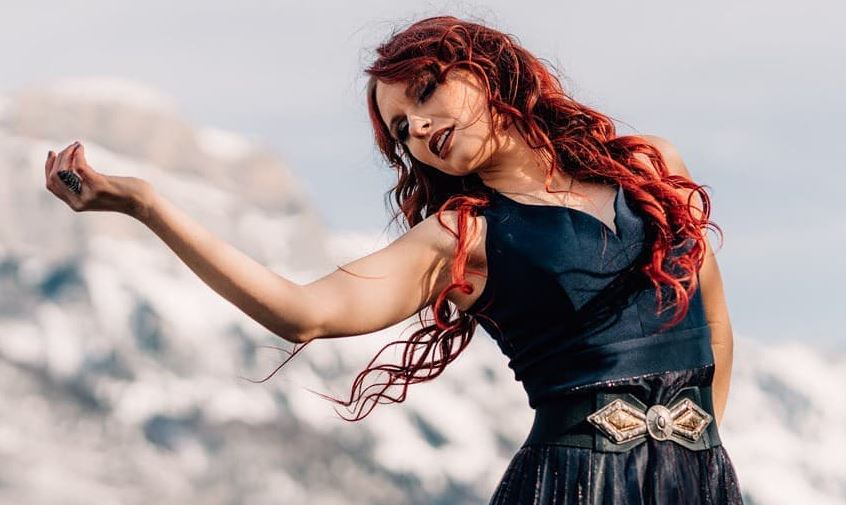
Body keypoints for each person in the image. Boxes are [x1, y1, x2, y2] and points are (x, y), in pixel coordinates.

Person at [43, 15, 743, 505]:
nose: (421, 127)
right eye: (403, 128)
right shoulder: (459, 237)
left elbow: (712, 321)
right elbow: (302, 312)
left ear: (486, 66)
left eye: (427, 92)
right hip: (573, 485)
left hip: (702, 480)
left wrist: (694, 451)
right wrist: (146, 206)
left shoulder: (650, 165)